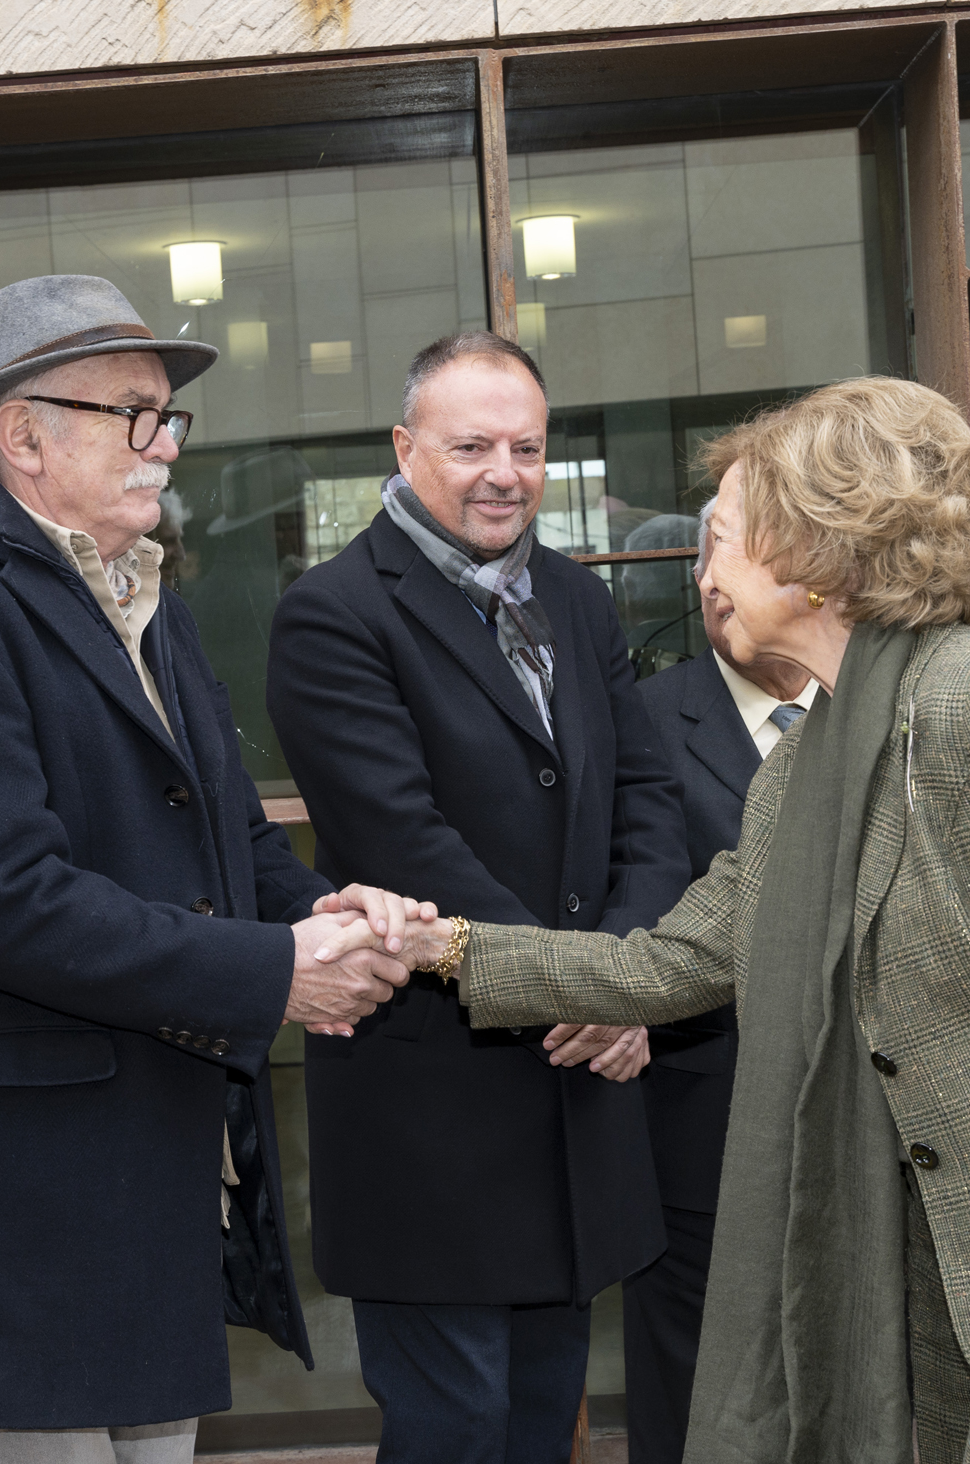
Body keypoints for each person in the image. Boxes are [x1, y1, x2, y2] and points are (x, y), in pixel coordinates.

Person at [393, 376, 970, 1464]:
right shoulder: (808, 761)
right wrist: (437, 945)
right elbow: (677, 961)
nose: (705, 576)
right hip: (954, 1287)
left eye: (724, 540)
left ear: (816, 552)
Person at [0, 275, 425, 1464]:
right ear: (22, 435)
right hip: (19, 1210)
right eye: (133, 413)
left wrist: (331, 914)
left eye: (169, 418)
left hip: (145, 1181)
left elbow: (227, 839)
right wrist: (273, 972)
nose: (164, 447)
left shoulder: (147, 602)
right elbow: (8, 905)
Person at [266, 331, 690, 1463]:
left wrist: (628, 978)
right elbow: (401, 839)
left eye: (527, 447)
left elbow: (647, 797)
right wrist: (589, 988)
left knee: (545, 1417)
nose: (504, 471)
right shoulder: (334, 613)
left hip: (579, 1087)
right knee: (451, 1426)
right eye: (470, 446)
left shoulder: (575, 598)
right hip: (434, 1113)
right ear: (404, 451)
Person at [624, 493, 814, 1464]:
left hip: (875, 1123)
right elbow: (650, 912)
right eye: (701, 560)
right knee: (689, 1392)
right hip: (703, 1118)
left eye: (732, 558)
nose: (709, 582)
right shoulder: (646, 722)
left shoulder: (892, 716)